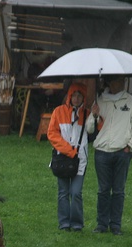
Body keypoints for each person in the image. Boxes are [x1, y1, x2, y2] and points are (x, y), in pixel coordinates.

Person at [86, 75, 132, 235]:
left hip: (121, 152)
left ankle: (115, 226)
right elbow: (89, 129)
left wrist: (130, 146)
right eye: (116, 81)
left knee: (118, 191)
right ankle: (101, 225)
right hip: (102, 152)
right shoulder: (100, 101)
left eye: (121, 81)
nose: (119, 84)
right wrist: (93, 115)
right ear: (110, 83)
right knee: (103, 190)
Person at [47, 82, 89, 231]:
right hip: (63, 159)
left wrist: (96, 116)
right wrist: (69, 150)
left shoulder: (87, 114)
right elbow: (52, 134)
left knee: (76, 192)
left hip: (80, 160)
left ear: (84, 98)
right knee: (63, 192)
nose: (76, 99)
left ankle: (77, 224)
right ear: (69, 96)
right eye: (74, 95)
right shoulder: (58, 112)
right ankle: (64, 223)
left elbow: (96, 129)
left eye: (79, 95)